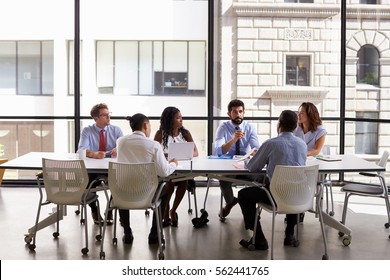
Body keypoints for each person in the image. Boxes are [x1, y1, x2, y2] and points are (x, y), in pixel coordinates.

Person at [237, 110, 307, 250]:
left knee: (243, 195)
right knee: (291, 185)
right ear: (295, 126)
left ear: (279, 124)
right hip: (298, 195)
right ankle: (289, 235)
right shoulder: (302, 144)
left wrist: (251, 160)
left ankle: (259, 238)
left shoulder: (271, 144)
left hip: (275, 196)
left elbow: (253, 167)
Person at [116, 113, 178, 244]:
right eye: (149, 125)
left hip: (123, 194)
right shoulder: (154, 145)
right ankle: (155, 233)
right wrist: (173, 164)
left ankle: (127, 232)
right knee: (166, 187)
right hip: (147, 195)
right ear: (145, 125)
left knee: (121, 188)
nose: (150, 128)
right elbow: (164, 172)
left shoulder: (120, 141)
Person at [78, 103, 123, 225]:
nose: (109, 117)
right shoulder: (87, 131)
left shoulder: (116, 130)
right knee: (86, 183)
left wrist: (118, 150)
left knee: (119, 182)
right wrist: (93, 154)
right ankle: (94, 210)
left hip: (111, 168)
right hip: (93, 168)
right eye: (105, 115)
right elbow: (81, 150)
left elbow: (125, 148)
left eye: (109, 114)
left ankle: (110, 208)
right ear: (96, 118)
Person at [214, 99, 260, 218]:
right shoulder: (223, 128)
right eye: (235, 112)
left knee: (261, 178)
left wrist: (253, 153)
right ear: (229, 114)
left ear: (243, 113)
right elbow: (219, 151)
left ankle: (252, 210)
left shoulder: (250, 127)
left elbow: (257, 148)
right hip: (230, 165)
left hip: (246, 166)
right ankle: (230, 202)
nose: (238, 114)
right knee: (223, 180)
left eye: (240, 111)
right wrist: (233, 139)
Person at [154, 106, 199, 227]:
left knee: (183, 180)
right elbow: (154, 152)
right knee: (170, 182)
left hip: (182, 169)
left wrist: (184, 155)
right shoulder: (160, 134)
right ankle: (165, 213)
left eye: (181, 117)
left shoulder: (185, 133)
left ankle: (172, 210)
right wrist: (167, 155)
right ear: (169, 120)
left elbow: (196, 152)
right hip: (166, 170)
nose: (181, 120)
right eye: (178, 118)